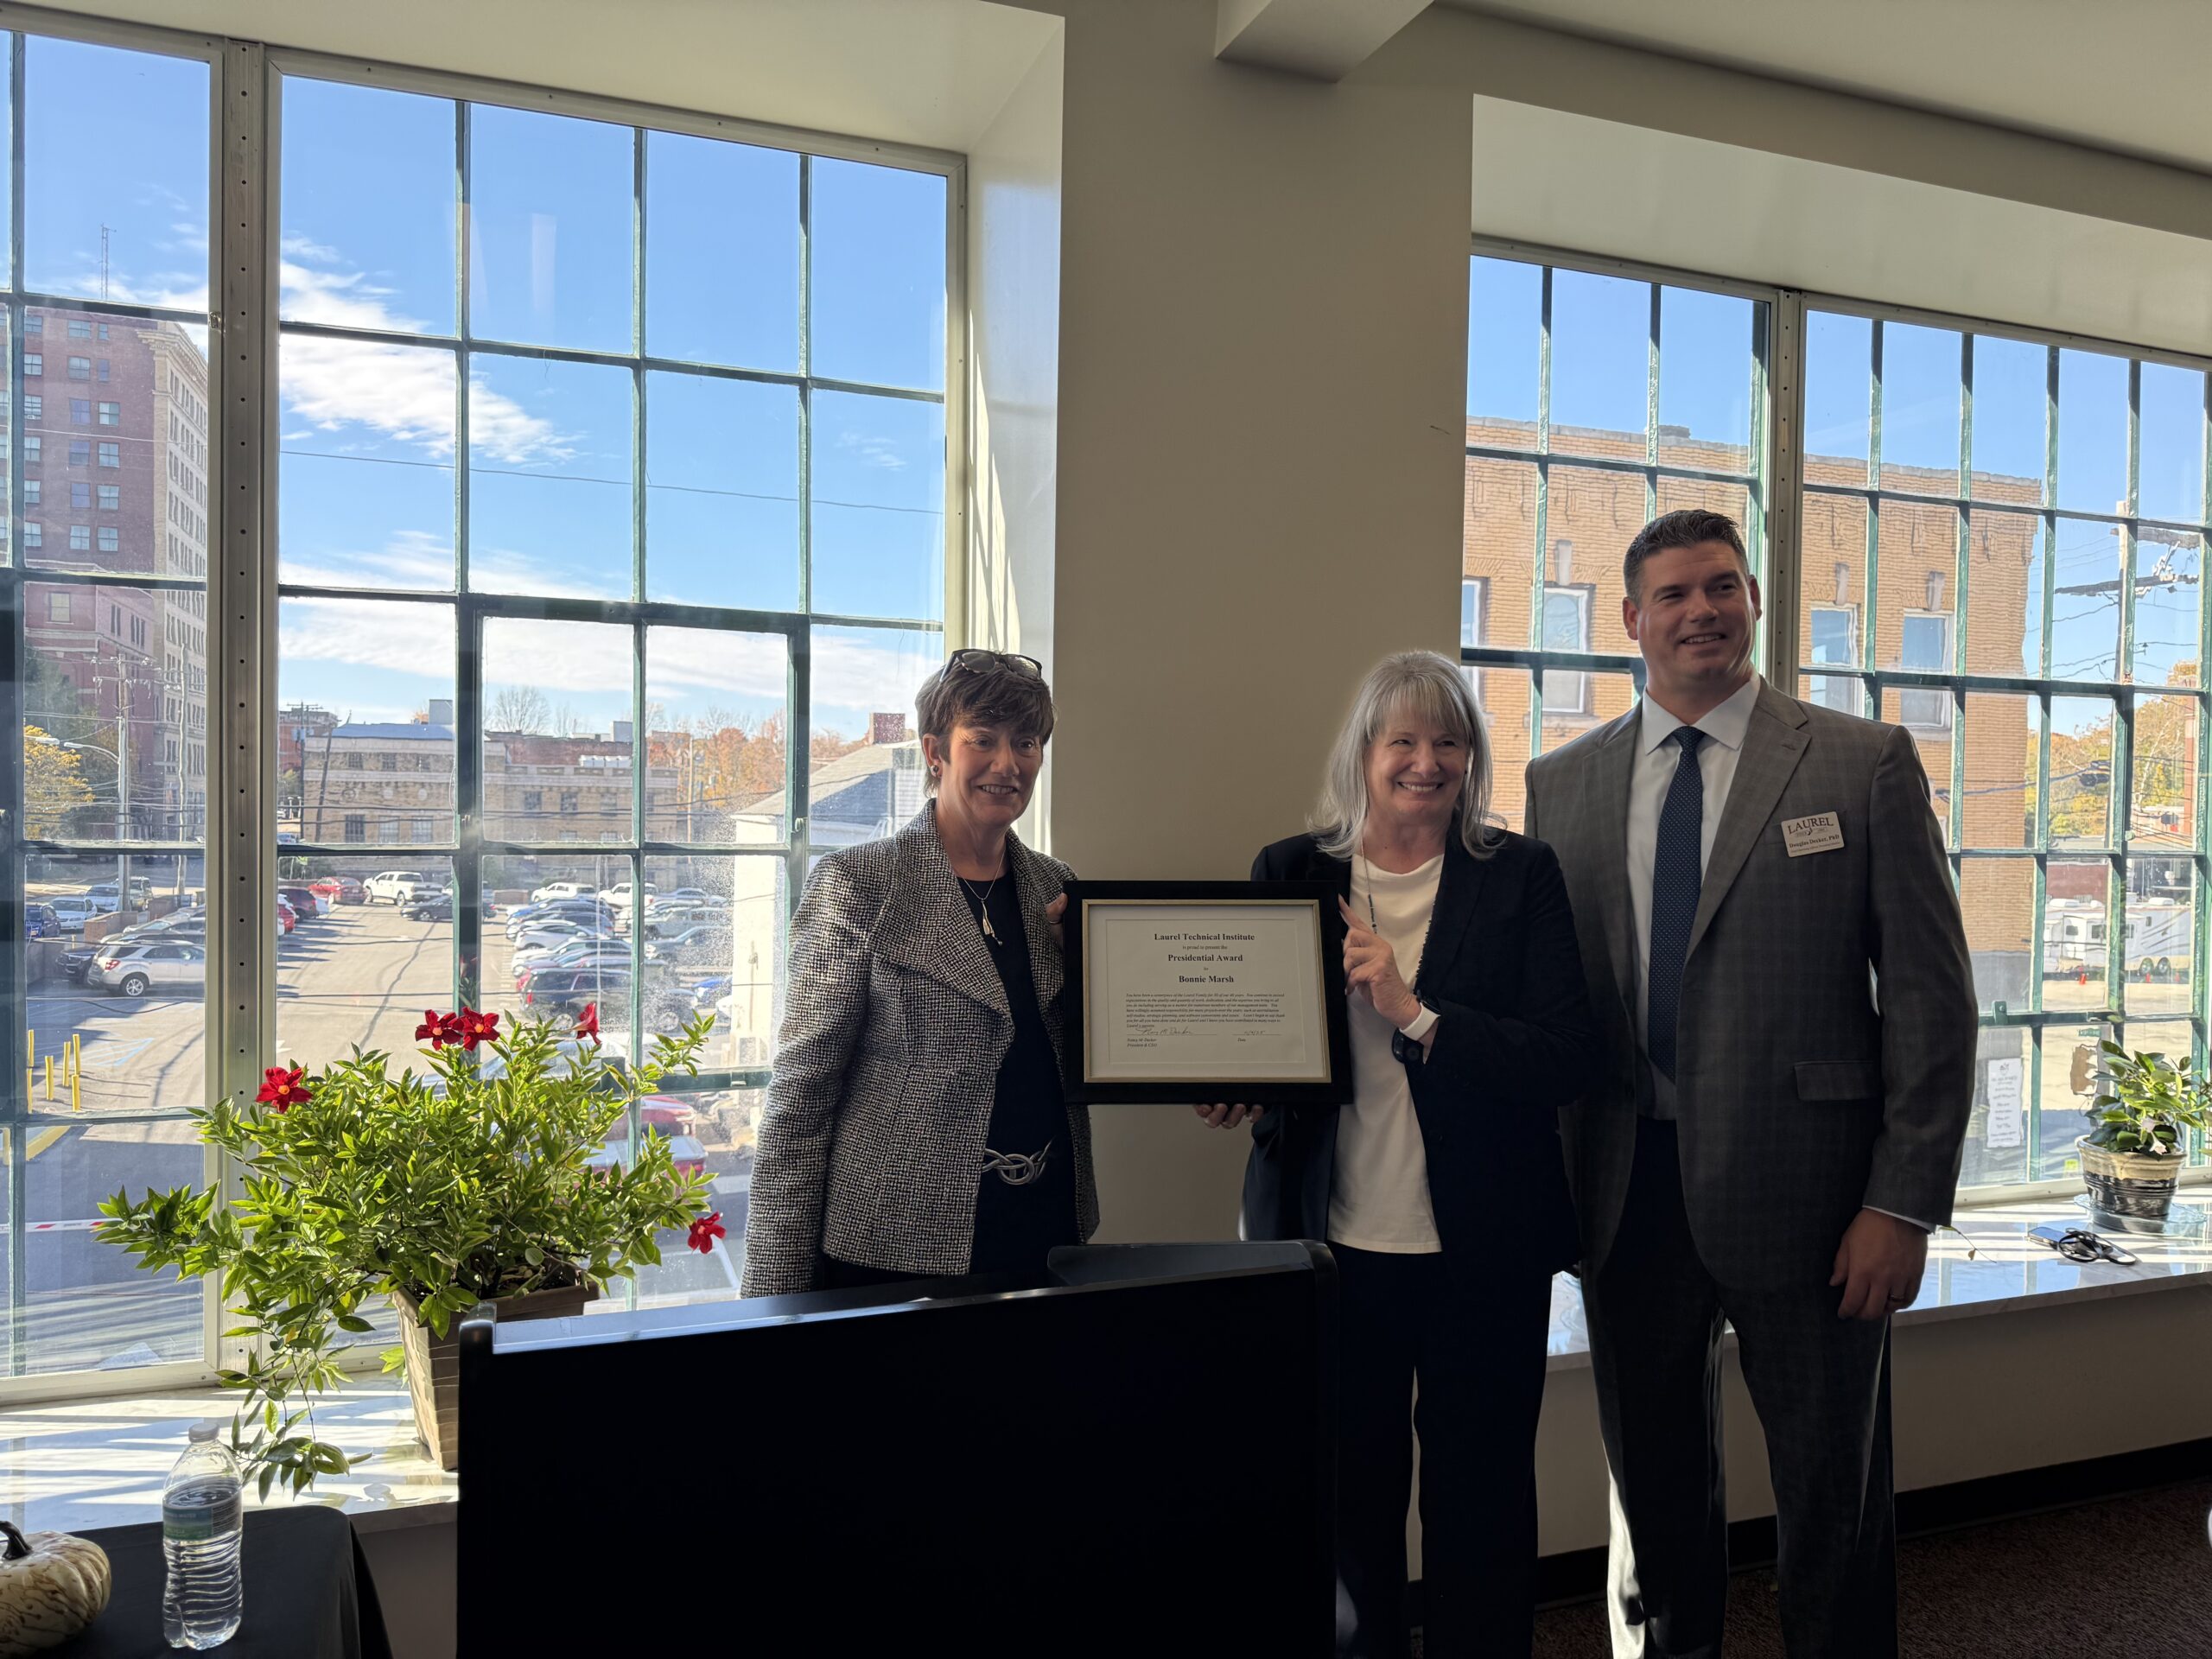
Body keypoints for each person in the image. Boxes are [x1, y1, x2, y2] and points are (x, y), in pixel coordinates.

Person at [1524, 509, 1976, 1658]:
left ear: (1755, 601)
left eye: (1722, 586)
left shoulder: (1859, 761)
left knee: (1833, 1496)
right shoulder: (1559, 786)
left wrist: (1903, 1202)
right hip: (1629, 1198)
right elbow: (1540, 1001)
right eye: (1672, 594)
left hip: (1821, 1204)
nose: (1701, 612)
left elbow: (1931, 999)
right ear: (1629, 620)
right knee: (1658, 1494)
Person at [1201, 650, 1595, 1659]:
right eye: (1404, 742)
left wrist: (1415, 1013)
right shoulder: (1292, 871)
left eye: (1449, 742)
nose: (1427, 763)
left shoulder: (1520, 874)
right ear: (1365, 753)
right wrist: (1232, 1081)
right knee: (1348, 1498)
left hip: (1483, 1248)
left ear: (1473, 756)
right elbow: (1264, 1055)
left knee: (1482, 1497)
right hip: (1332, 1247)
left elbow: (1564, 1058)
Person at [741, 648, 1094, 1297]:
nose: (1007, 764)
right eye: (981, 740)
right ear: (935, 751)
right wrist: (772, 1301)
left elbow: (1093, 1049)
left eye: (1026, 742)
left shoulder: (1059, 888)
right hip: (894, 1241)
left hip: (1045, 1225)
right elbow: (801, 1096)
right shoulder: (858, 884)